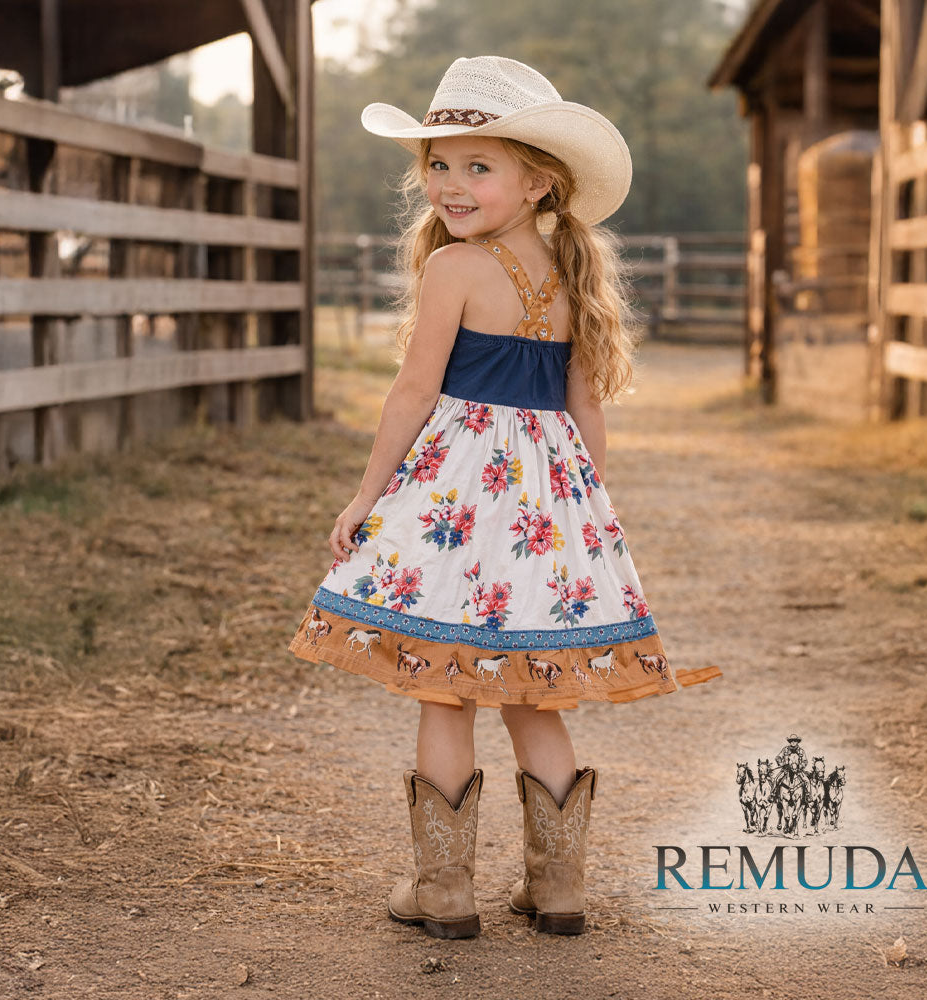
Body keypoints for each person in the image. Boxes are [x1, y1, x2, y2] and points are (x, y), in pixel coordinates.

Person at [287, 55, 721, 940]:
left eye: (477, 166)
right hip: (546, 511)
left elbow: (412, 395)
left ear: (537, 182)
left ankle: (444, 892)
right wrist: (588, 516)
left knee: (445, 689)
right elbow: (584, 411)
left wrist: (368, 496)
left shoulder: (456, 270)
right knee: (537, 692)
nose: (450, 185)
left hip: (457, 502)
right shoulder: (572, 279)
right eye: (439, 166)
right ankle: (557, 889)